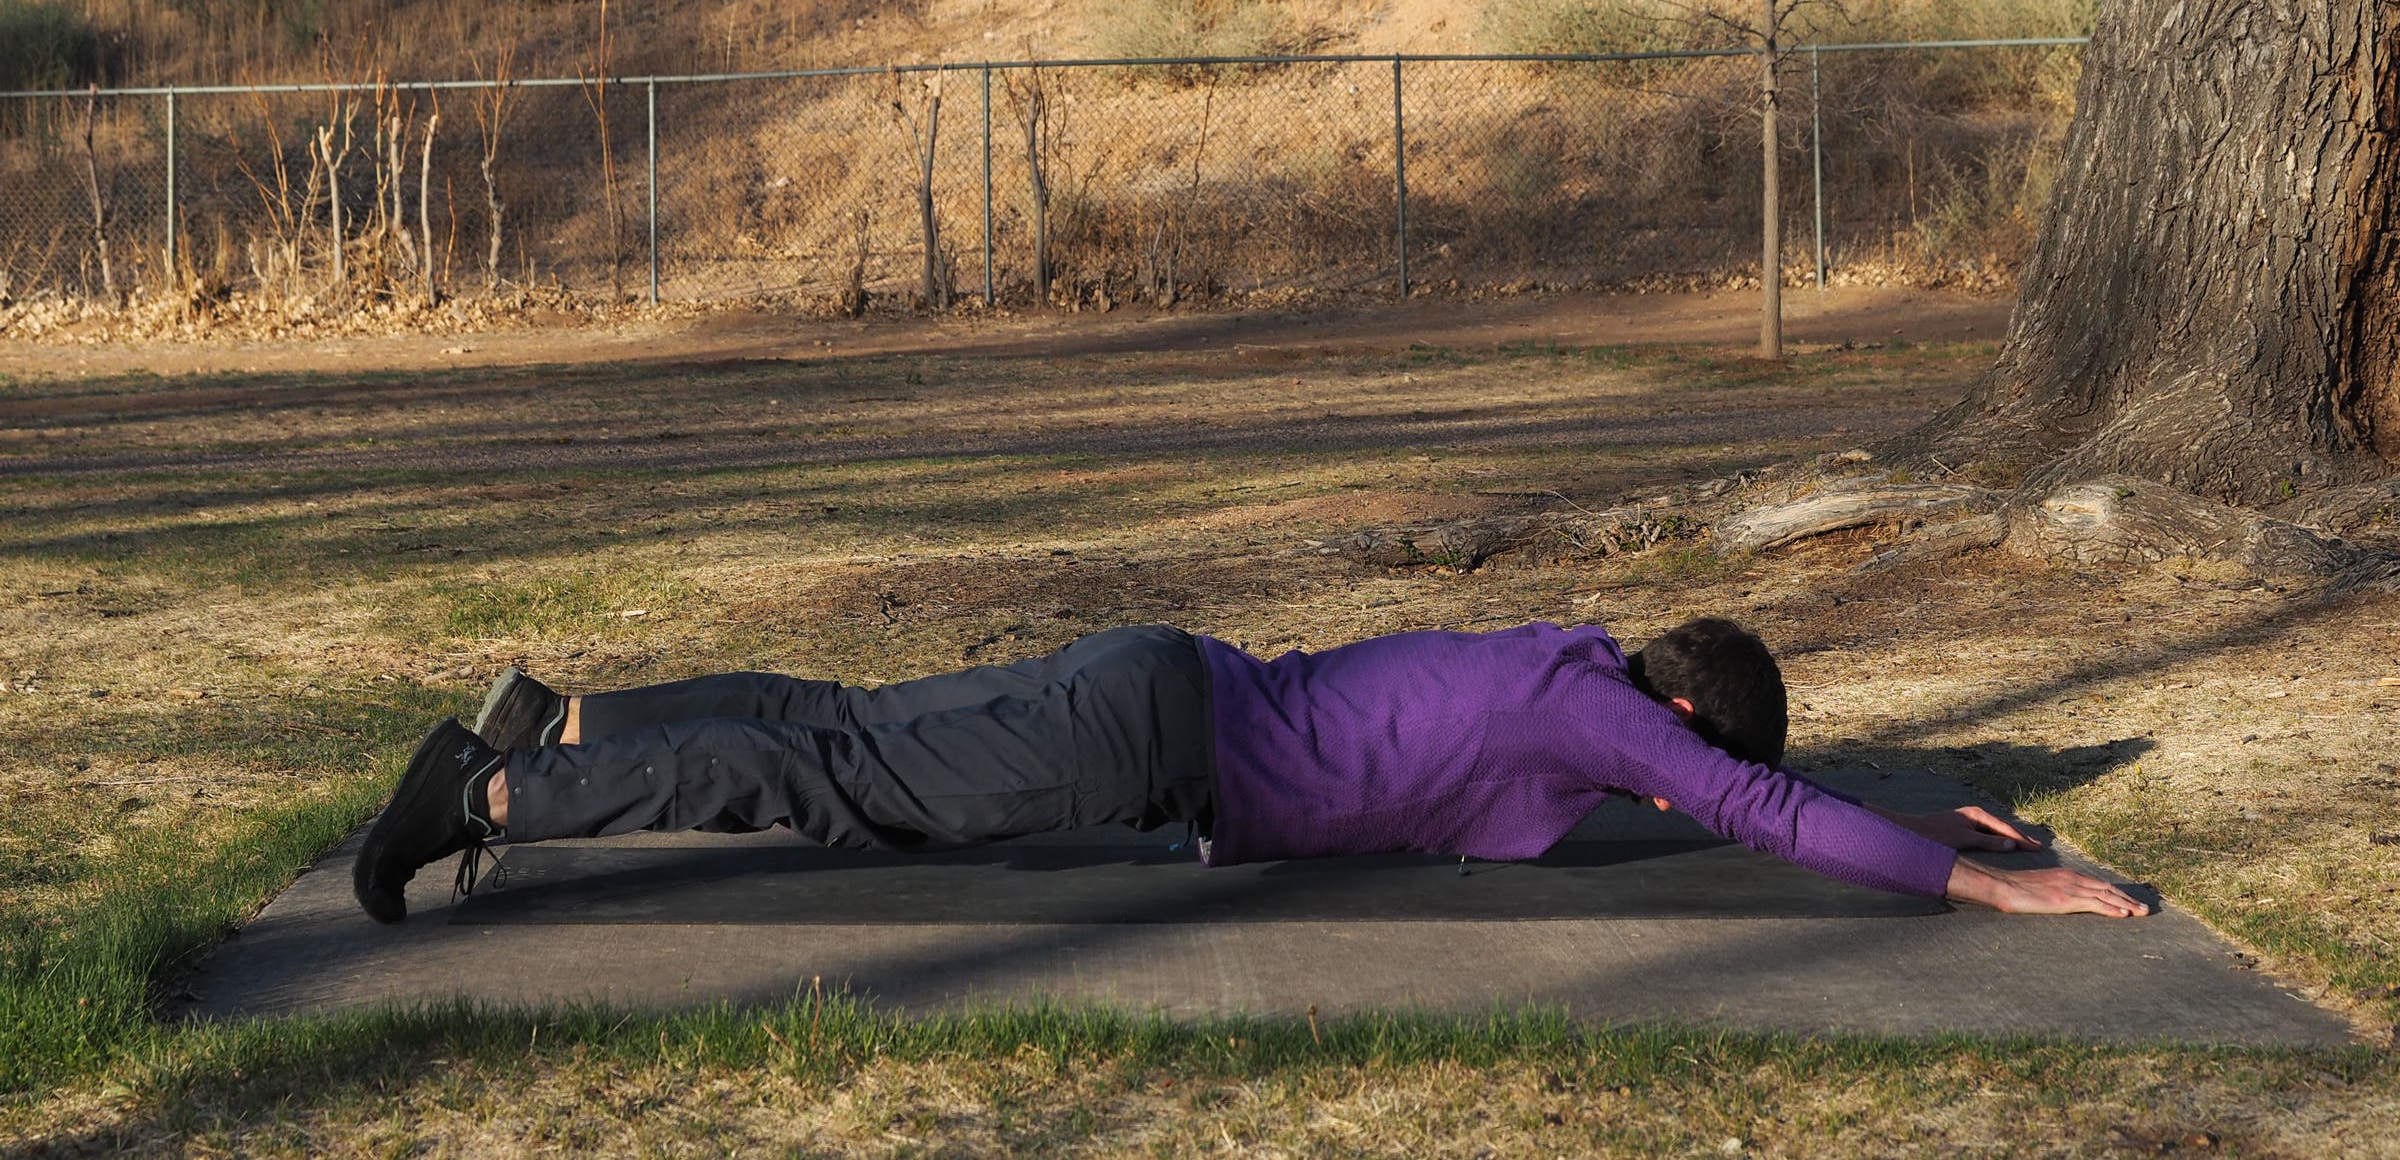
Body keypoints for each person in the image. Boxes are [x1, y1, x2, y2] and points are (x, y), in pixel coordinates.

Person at [352, 618, 2151, 923]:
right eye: (1690, 776)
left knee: (842, 718)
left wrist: (1919, 815)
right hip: (1150, 738)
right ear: (1681, 730)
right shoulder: (1612, 731)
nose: (1676, 801)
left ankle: (572, 722)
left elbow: (1764, 802)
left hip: (1162, 679)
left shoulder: (1579, 668)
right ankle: (485, 792)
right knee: (844, 784)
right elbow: (1757, 810)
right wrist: (1985, 879)